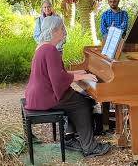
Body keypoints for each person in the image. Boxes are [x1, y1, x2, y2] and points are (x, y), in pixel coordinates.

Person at [25, 16, 110, 157]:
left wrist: (77, 72)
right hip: (45, 96)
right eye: (62, 29)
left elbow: (56, 73)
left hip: (37, 94)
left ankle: (70, 137)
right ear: (54, 31)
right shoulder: (51, 50)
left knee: (79, 97)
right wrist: (82, 76)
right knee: (82, 103)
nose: (64, 32)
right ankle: (89, 147)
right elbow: (58, 78)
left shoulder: (42, 47)